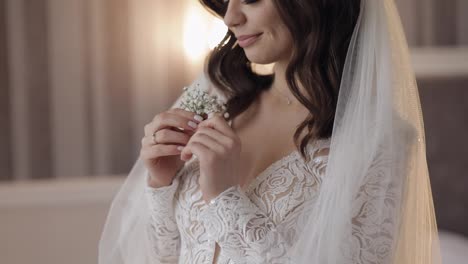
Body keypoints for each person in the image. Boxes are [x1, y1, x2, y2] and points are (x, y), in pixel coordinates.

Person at [99, 0, 441, 263]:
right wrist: (161, 183)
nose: (231, 18)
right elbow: (165, 256)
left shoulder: (378, 141)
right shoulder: (216, 101)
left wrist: (224, 199)